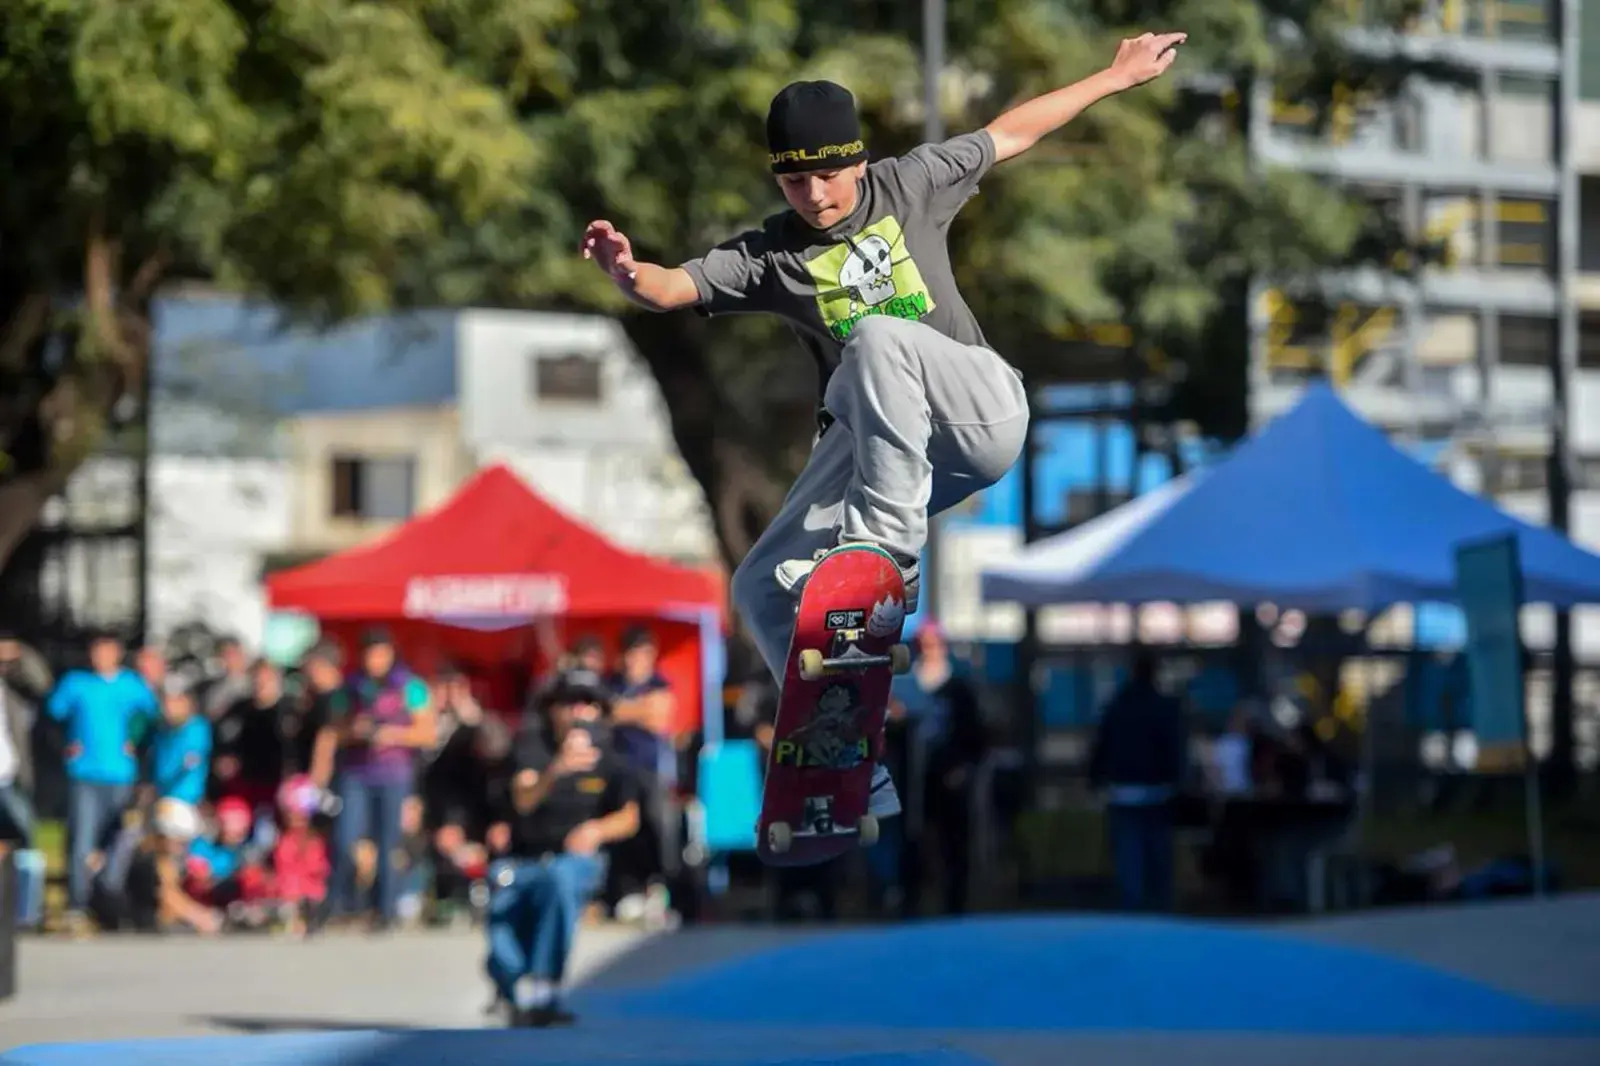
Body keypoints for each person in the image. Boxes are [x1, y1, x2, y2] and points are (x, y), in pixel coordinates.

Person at [579, 33, 1185, 826]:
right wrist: (627, 271)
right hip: (895, 454)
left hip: (980, 411)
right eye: (795, 181)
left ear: (859, 163)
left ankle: (884, 554)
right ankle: (846, 751)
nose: (815, 195)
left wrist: (1113, 76)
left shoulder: (912, 182)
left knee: (873, 337)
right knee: (758, 585)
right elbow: (673, 287)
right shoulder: (773, 253)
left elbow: (1013, 131)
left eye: (828, 175)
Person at [486, 667, 640, 1028]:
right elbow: (523, 798)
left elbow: (629, 817)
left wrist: (596, 829)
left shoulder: (611, 754)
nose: (578, 711)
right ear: (552, 708)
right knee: (503, 907)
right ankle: (509, 981)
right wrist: (557, 769)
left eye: (588, 703)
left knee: (559, 881)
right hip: (524, 858)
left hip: (574, 860)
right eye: (570, 703)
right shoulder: (533, 745)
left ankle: (544, 987)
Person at [46, 631, 160, 930]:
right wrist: (64, 747)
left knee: (120, 841)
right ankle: (78, 905)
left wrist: (137, 743)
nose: (101, 657)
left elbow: (153, 720)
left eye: (107, 650)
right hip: (85, 774)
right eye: (96, 650)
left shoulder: (132, 685)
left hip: (121, 775)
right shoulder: (75, 683)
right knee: (82, 841)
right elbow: (49, 720)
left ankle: (111, 901)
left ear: (117, 653)